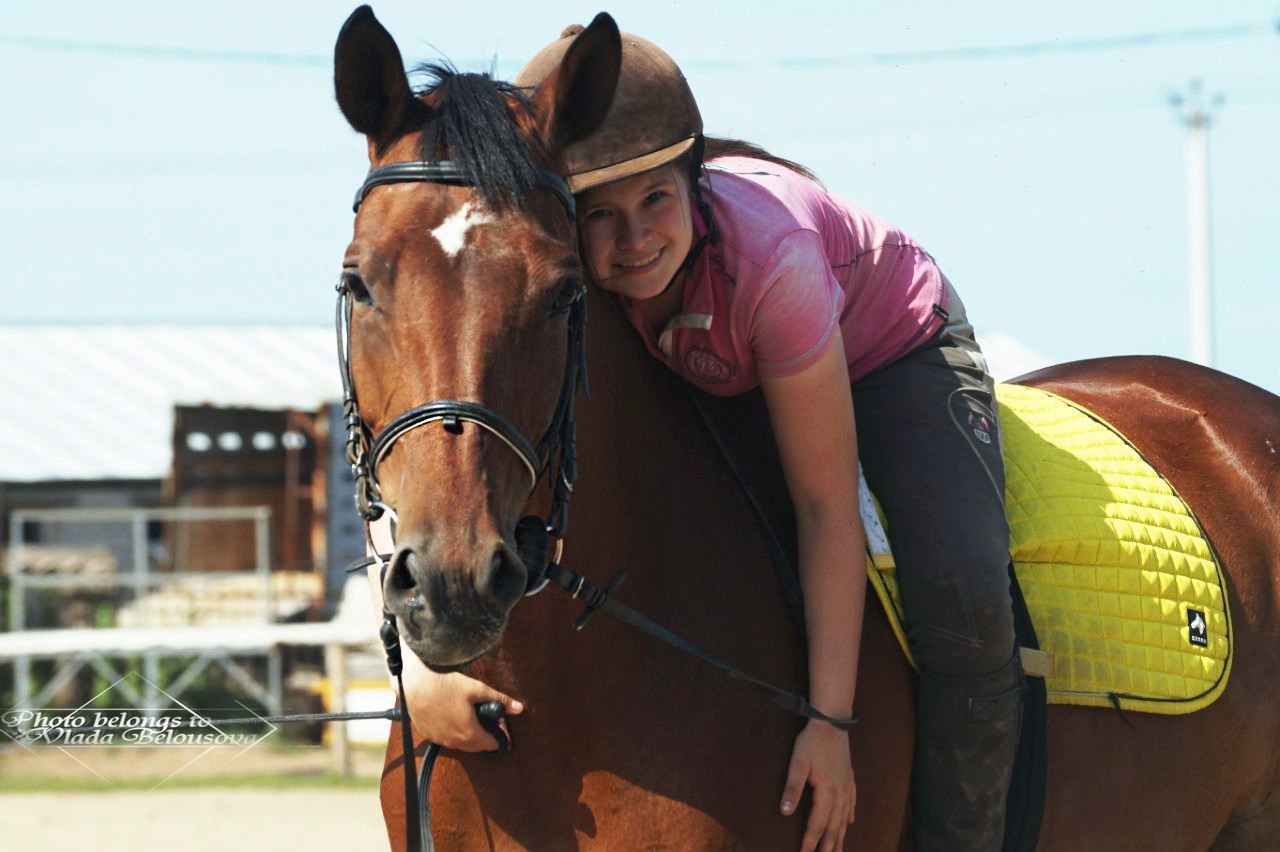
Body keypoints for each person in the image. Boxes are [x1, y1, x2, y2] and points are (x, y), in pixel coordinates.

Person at [387, 24, 1024, 852]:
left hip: (888, 352)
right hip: (723, 358)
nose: (634, 240)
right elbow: (431, 463)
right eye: (600, 215)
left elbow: (827, 507)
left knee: (963, 588)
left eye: (656, 198)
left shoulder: (775, 259)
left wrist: (830, 724)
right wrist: (422, 673)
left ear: (696, 181)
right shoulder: (566, 275)